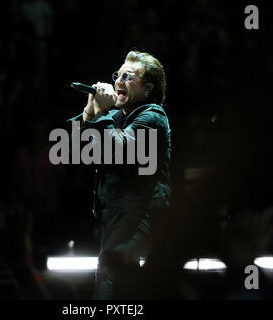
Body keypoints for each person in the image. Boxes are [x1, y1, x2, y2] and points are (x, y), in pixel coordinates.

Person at [67, 51, 172, 299]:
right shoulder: (115, 116)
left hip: (140, 211)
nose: (119, 81)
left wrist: (103, 114)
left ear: (148, 88)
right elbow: (73, 149)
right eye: (118, 75)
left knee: (108, 270)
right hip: (115, 212)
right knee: (125, 281)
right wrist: (90, 112)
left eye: (129, 76)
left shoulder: (153, 116)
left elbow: (121, 150)